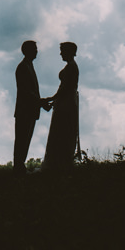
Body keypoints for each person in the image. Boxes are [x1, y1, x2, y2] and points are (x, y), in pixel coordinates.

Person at [41, 41, 79, 171]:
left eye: (62, 51)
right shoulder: (71, 66)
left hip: (66, 103)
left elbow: (64, 88)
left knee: (61, 131)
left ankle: (57, 163)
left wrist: (51, 98)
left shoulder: (71, 67)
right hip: (66, 101)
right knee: (62, 131)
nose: (60, 53)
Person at [13, 40, 49, 173]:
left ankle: (20, 165)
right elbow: (27, 92)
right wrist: (41, 102)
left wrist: (40, 102)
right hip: (24, 110)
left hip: (29, 110)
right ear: (27, 50)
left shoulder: (28, 66)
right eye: (34, 49)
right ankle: (18, 166)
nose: (37, 51)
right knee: (22, 139)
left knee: (25, 139)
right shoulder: (23, 67)